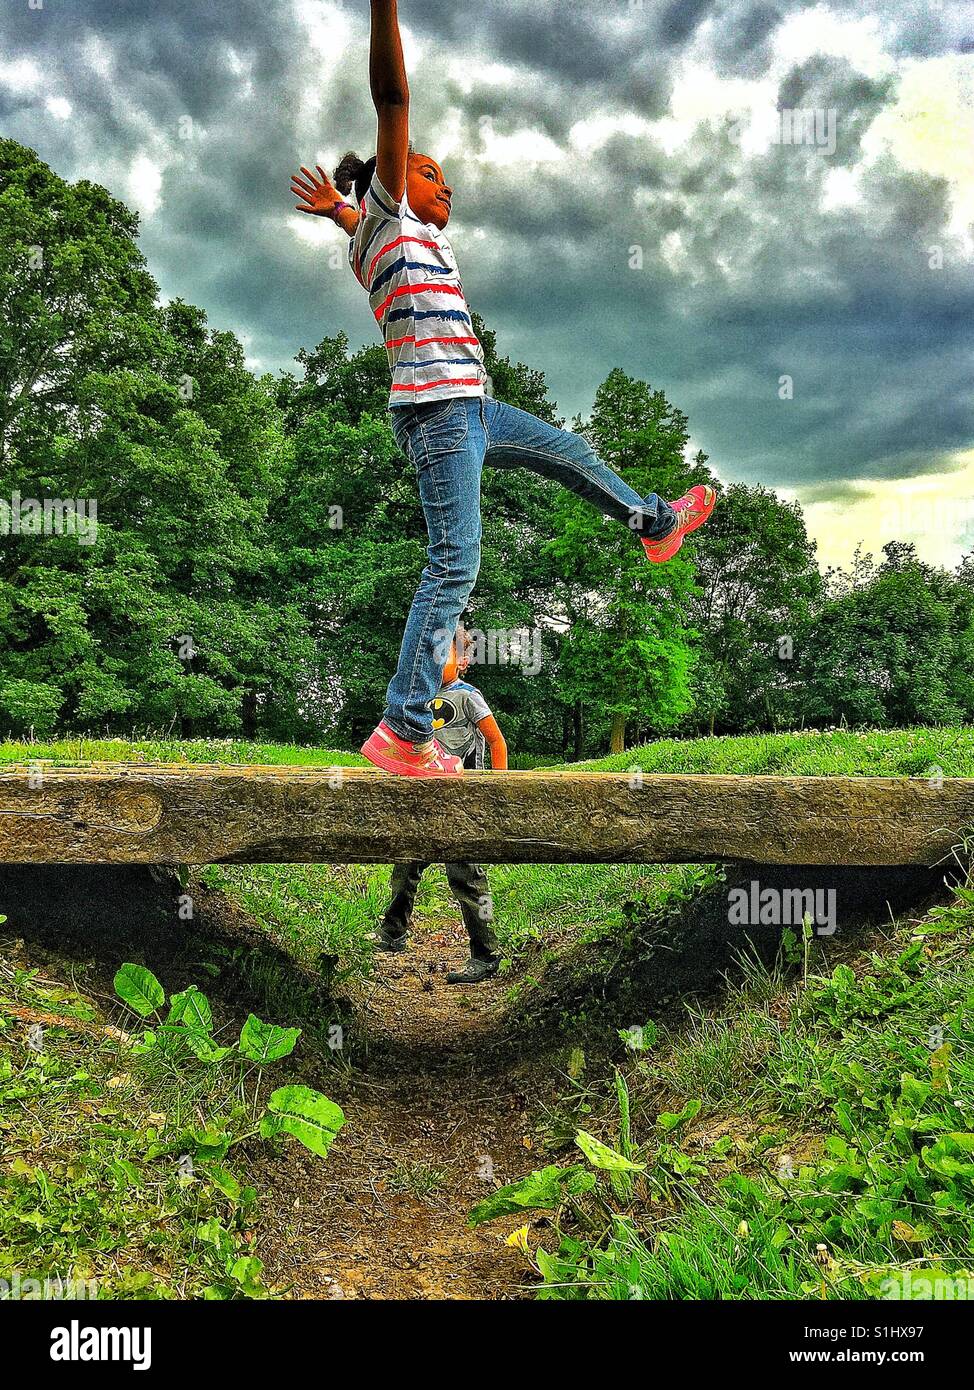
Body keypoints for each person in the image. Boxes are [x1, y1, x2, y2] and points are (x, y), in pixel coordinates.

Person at [291, 0, 715, 779]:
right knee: (455, 563)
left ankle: (651, 521)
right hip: (439, 414)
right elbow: (393, 100)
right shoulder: (389, 219)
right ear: (395, 182)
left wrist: (337, 212)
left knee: (573, 453)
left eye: (446, 180)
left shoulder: (386, 231)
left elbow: (362, 222)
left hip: (478, 407)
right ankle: (403, 730)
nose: (444, 188)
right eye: (429, 174)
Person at [378, 631, 506, 983]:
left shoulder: (468, 697)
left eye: (444, 654)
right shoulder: (420, 699)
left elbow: (496, 739)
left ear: (463, 661)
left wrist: (499, 785)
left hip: (462, 802)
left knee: (466, 877)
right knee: (405, 866)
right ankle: (392, 934)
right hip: (426, 800)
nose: (435, 660)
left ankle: (486, 954)